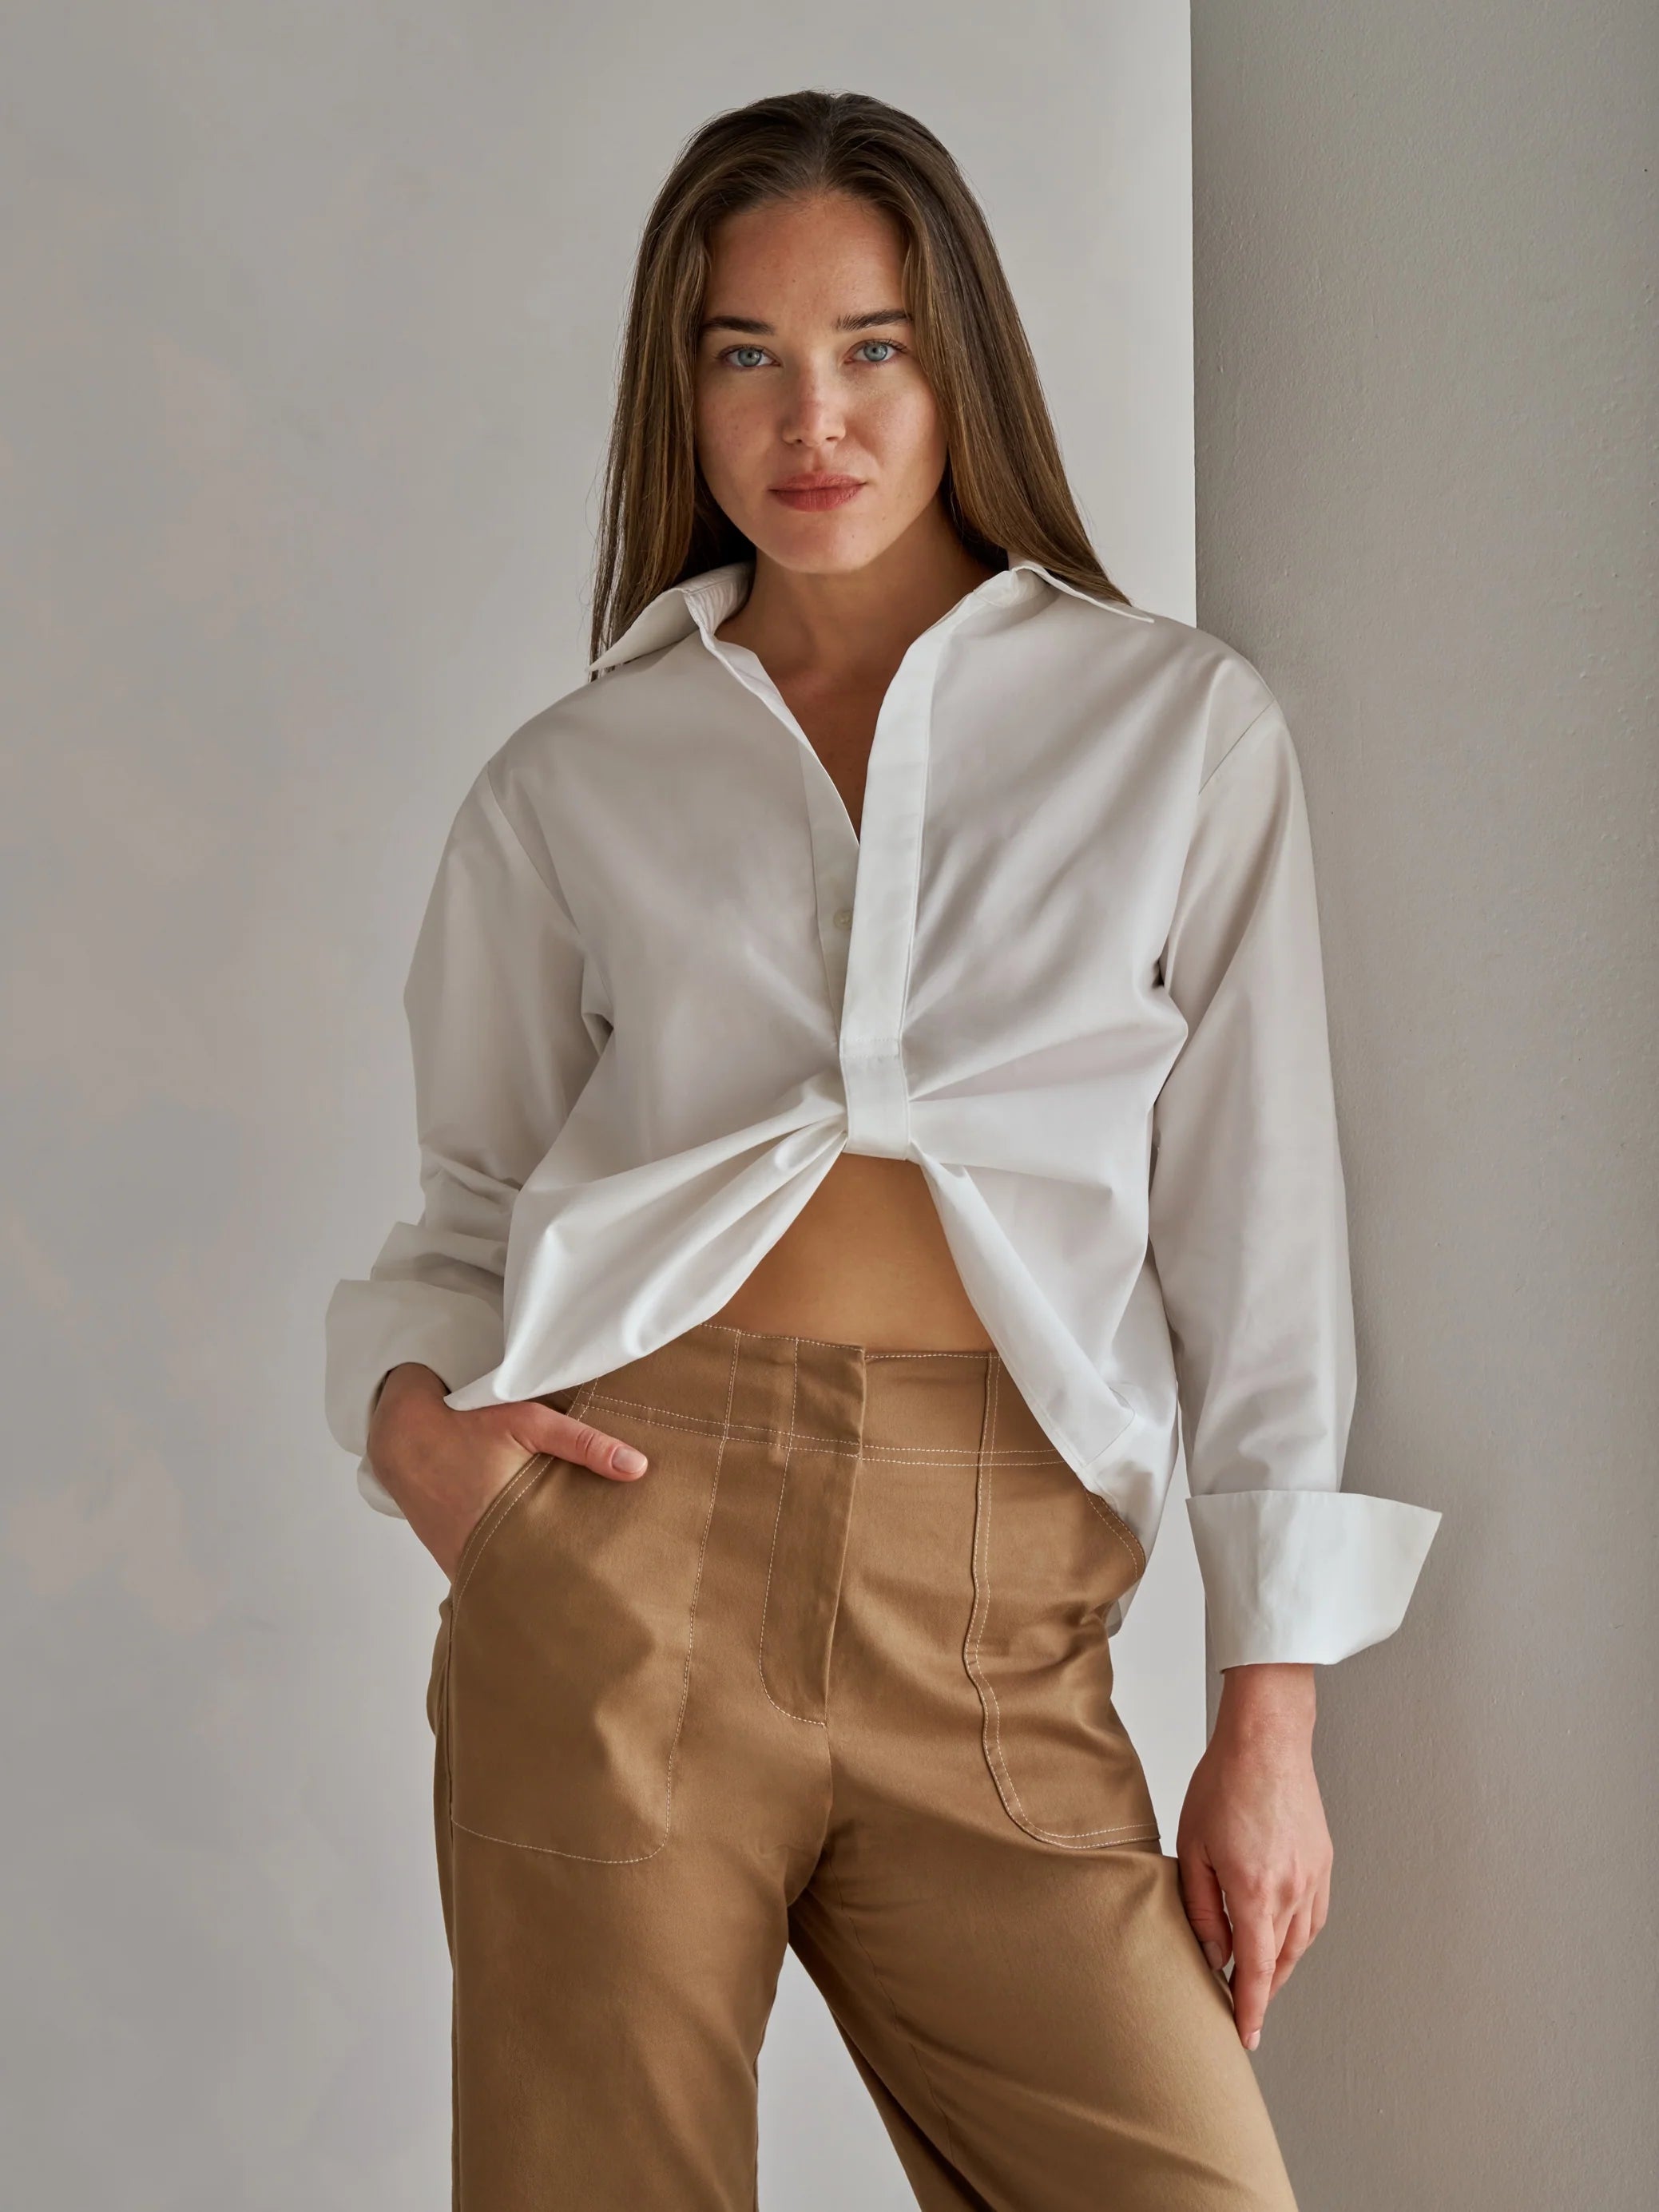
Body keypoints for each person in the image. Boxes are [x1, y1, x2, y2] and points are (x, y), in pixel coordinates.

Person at [324, 88, 1442, 2212]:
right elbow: (466, 1202)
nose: (807, 417)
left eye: (872, 348)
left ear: (963, 369)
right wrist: (419, 1435)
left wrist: (1267, 1724)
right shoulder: (577, 777)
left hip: (1004, 1597)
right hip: (632, 1548)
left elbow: (1259, 1239)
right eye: (745, 352)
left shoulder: (1175, 731)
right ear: (684, 388)